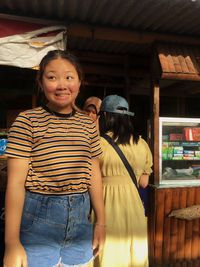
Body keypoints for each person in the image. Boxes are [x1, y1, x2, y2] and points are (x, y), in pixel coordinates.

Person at [3, 50, 105, 267]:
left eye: (69, 77)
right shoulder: (27, 121)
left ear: (79, 82)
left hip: (81, 219)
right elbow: (15, 184)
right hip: (37, 221)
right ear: (40, 82)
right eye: (52, 77)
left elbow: (94, 174)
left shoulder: (88, 125)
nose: (61, 85)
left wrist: (101, 223)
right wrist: (11, 243)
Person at [93, 95, 153, 267]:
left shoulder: (98, 144)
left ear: (104, 116)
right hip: (134, 208)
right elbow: (143, 182)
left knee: (109, 256)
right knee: (133, 254)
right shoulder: (142, 144)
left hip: (105, 208)